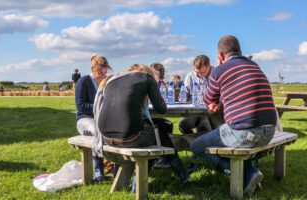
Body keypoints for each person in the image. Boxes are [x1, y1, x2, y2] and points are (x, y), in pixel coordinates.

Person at [190, 35, 277, 196]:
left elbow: (208, 98)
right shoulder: (254, 65)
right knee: (228, 134)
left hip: (245, 132)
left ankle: (246, 174)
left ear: (220, 56)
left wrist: (215, 103)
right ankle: (250, 172)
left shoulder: (221, 70)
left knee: (197, 147)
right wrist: (223, 103)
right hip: (270, 131)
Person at [97, 64, 194, 185]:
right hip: (127, 138)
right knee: (160, 132)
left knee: (158, 129)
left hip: (105, 137)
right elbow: (161, 108)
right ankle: (181, 175)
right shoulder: (147, 78)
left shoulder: (114, 79)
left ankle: (181, 173)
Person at [75, 54, 111, 181]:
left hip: (103, 119)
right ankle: (98, 172)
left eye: (105, 73)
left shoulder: (107, 81)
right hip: (85, 119)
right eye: (100, 73)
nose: (103, 76)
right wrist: (102, 106)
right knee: (97, 131)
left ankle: (115, 164)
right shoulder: (83, 81)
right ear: (92, 70)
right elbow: (81, 106)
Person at [179, 55, 213, 134]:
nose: (200, 75)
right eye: (198, 72)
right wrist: (183, 96)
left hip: (212, 111)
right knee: (183, 125)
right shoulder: (190, 76)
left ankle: (201, 143)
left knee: (204, 125)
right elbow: (184, 95)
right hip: (195, 111)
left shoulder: (216, 73)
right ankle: (192, 142)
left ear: (209, 67)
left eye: (203, 72)